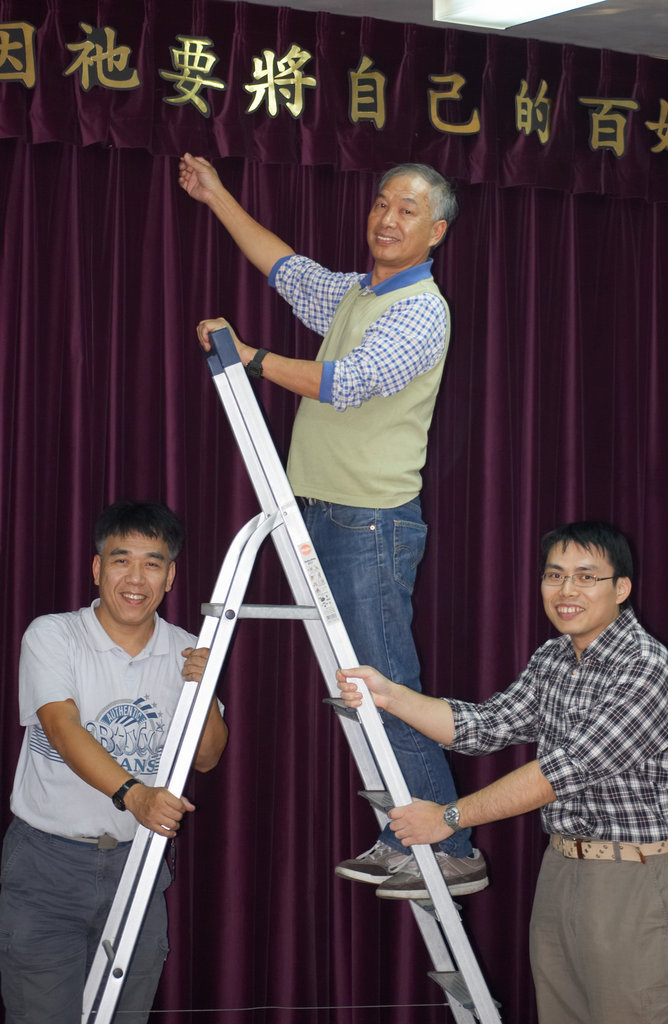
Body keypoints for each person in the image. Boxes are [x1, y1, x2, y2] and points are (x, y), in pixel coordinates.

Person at [178, 153, 487, 899]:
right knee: (366, 688)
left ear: (436, 232)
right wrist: (216, 196)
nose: (387, 218)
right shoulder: (357, 294)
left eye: (407, 210)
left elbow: (347, 383)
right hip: (324, 515)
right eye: (382, 203)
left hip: (369, 521)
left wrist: (252, 359)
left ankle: (450, 846)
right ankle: (403, 834)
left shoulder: (421, 309)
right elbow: (286, 269)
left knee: (387, 688)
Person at [337, 520, 668, 1023]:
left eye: (586, 577)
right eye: (555, 575)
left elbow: (561, 772)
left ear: (621, 588)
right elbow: (484, 726)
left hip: (634, 877)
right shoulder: (554, 657)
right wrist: (392, 696)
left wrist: (448, 818)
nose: (567, 590)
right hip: (560, 867)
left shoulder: (645, 665)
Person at [0, 501, 228, 1024]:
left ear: (170, 577)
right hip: (47, 865)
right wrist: (135, 795)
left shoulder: (188, 649)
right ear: (97, 568)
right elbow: (62, 729)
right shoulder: (53, 635)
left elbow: (208, 757)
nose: (136, 578)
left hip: (139, 865)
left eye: (152, 563)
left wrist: (204, 694)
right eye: (122, 560)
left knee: (125, 1015)